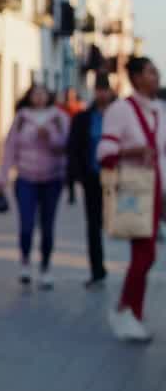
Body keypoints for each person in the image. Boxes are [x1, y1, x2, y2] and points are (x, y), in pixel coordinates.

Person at [97, 56, 163, 343]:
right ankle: (127, 311)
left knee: (146, 254)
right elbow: (104, 153)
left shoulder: (160, 110)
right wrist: (131, 152)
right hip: (135, 192)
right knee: (145, 254)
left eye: (155, 71)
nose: (156, 76)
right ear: (136, 78)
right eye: (149, 72)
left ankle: (131, 310)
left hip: (157, 190)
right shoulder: (120, 110)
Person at [0, 85, 70, 289]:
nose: (38, 97)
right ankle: (25, 262)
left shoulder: (59, 118)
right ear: (29, 96)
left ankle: (46, 266)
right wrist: (2, 176)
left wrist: (50, 137)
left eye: (42, 93)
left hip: (51, 179)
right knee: (26, 225)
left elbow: (66, 146)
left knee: (47, 226)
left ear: (49, 96)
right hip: (25, 178)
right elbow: (10, 147)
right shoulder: (21, 118)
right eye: (35, 93)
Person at [67, 74, 116, 288]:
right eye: (99, 89)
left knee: (118, 221)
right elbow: (74, 147)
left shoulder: (120, 115)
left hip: (117, 178)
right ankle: (97, 270)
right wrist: (77, 175)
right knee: (93, 225)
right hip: (92, 176)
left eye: (105, 89)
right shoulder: (84, 117)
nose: (102, 93)